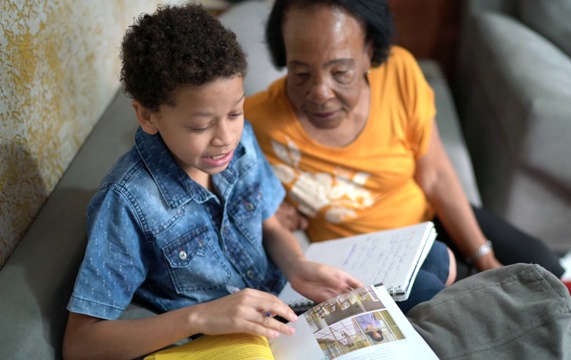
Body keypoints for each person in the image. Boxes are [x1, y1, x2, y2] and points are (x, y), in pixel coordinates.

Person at [62, 5, 364, 359]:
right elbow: (80, 344)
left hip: (280, 305)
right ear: (148, 115)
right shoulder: (127, 202)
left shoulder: (242, 140)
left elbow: (268, 221)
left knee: (429, 269)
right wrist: (201, 317)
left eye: (235, 112)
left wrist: (295, 264)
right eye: (201, 125)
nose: (226, 137)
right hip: (223, 341)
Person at [244, 0, 565, 279]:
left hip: (427, 220)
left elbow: (436, 175)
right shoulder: (256, 122)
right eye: (300, 74)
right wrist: (270, 208)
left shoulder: (400, 74)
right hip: (359, 254)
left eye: (341, 73)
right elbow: (218, 182)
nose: (319, 93)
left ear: (370, 53)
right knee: (452, 288)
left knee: (541, 264)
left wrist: (483, 256)